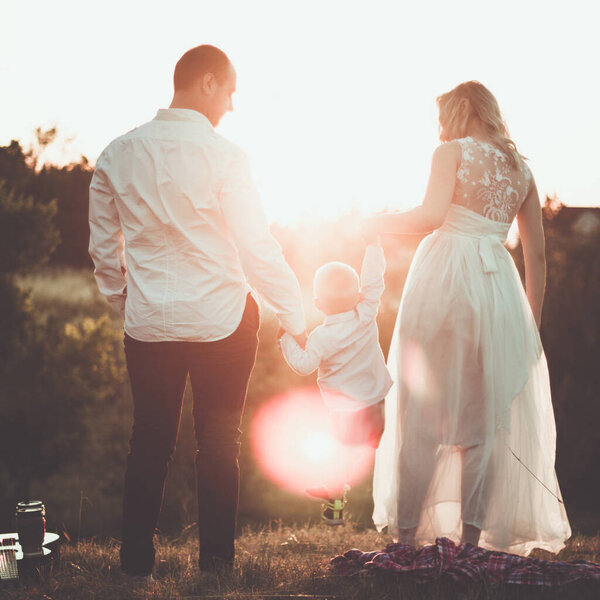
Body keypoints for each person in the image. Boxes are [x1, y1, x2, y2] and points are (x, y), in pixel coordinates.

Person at [88, 44, 306, 577]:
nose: (232, 105)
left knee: (150, 440)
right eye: (230, 91)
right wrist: (296, 314)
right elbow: (257, 247)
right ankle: (216, 564)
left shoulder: (117, 153)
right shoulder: (228, 158)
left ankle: (136, 564)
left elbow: (102, 249)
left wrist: (125, 300)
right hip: (223, 325)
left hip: (149, 325)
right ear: (206, 82)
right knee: (218, 443)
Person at [368, 81, 571, 555]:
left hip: (446, 279)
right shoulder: (521, 169)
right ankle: (472, 541)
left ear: (459, 112)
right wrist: (529, 326)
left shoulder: (451, 152)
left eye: (442, 117)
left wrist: (375, 222)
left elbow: (431, 215)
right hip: (498, 287)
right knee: (485, 421)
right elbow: (537, 257)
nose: (440, 128)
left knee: (421, 410)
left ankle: (403, 539)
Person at [279, 242, 392, 524]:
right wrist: (372, 246)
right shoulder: (365, 313)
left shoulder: (321, 337)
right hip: (377, 405)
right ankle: (335, 491)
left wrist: (285, 339)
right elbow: (374, 281)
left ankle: (335, 508)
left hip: (345, 412)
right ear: (357, 295)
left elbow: (304, 365)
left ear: (318, 304)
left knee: (338, 455)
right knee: (365, 456)